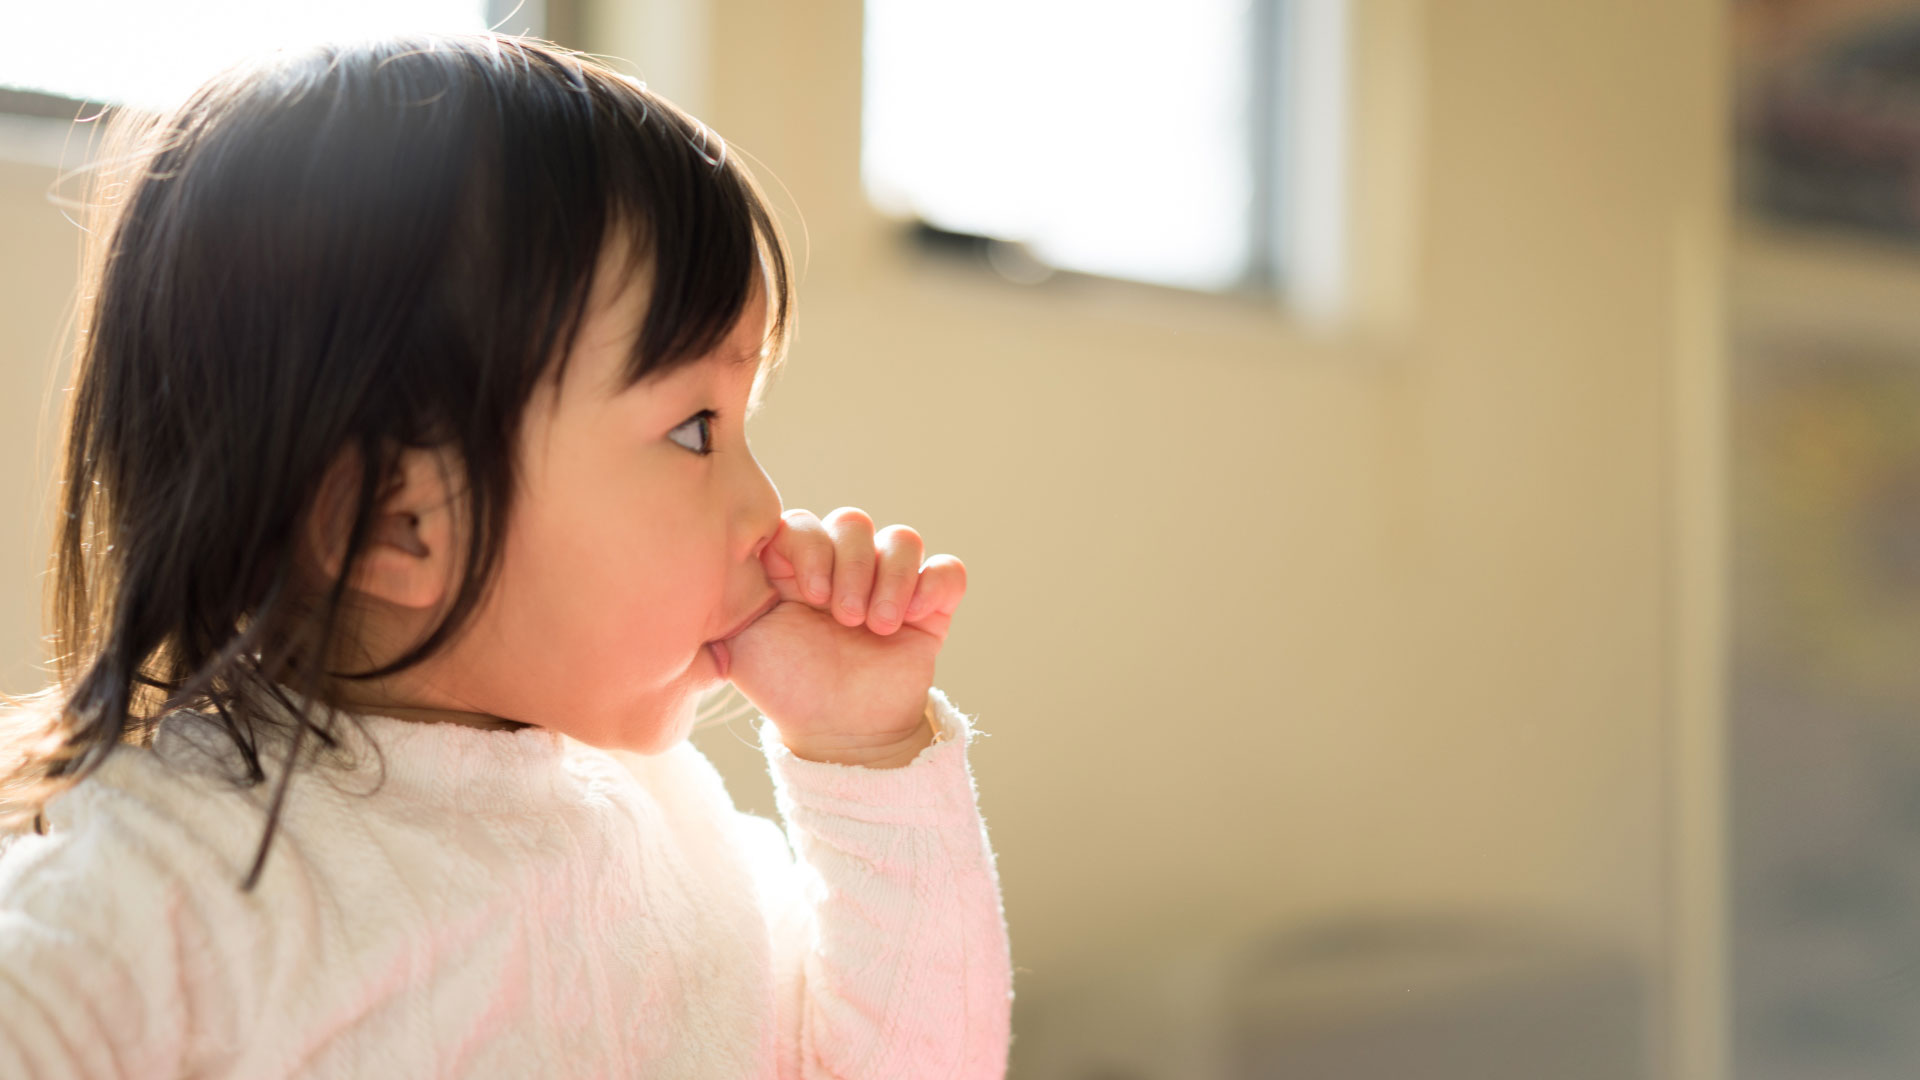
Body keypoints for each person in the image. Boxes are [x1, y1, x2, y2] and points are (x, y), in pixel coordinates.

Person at [0, 32, 1011, 1078]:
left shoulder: (665, 821)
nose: (766, 506)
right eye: (693, 428)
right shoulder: (157, 893)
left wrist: (868, 752)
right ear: (395, 523)